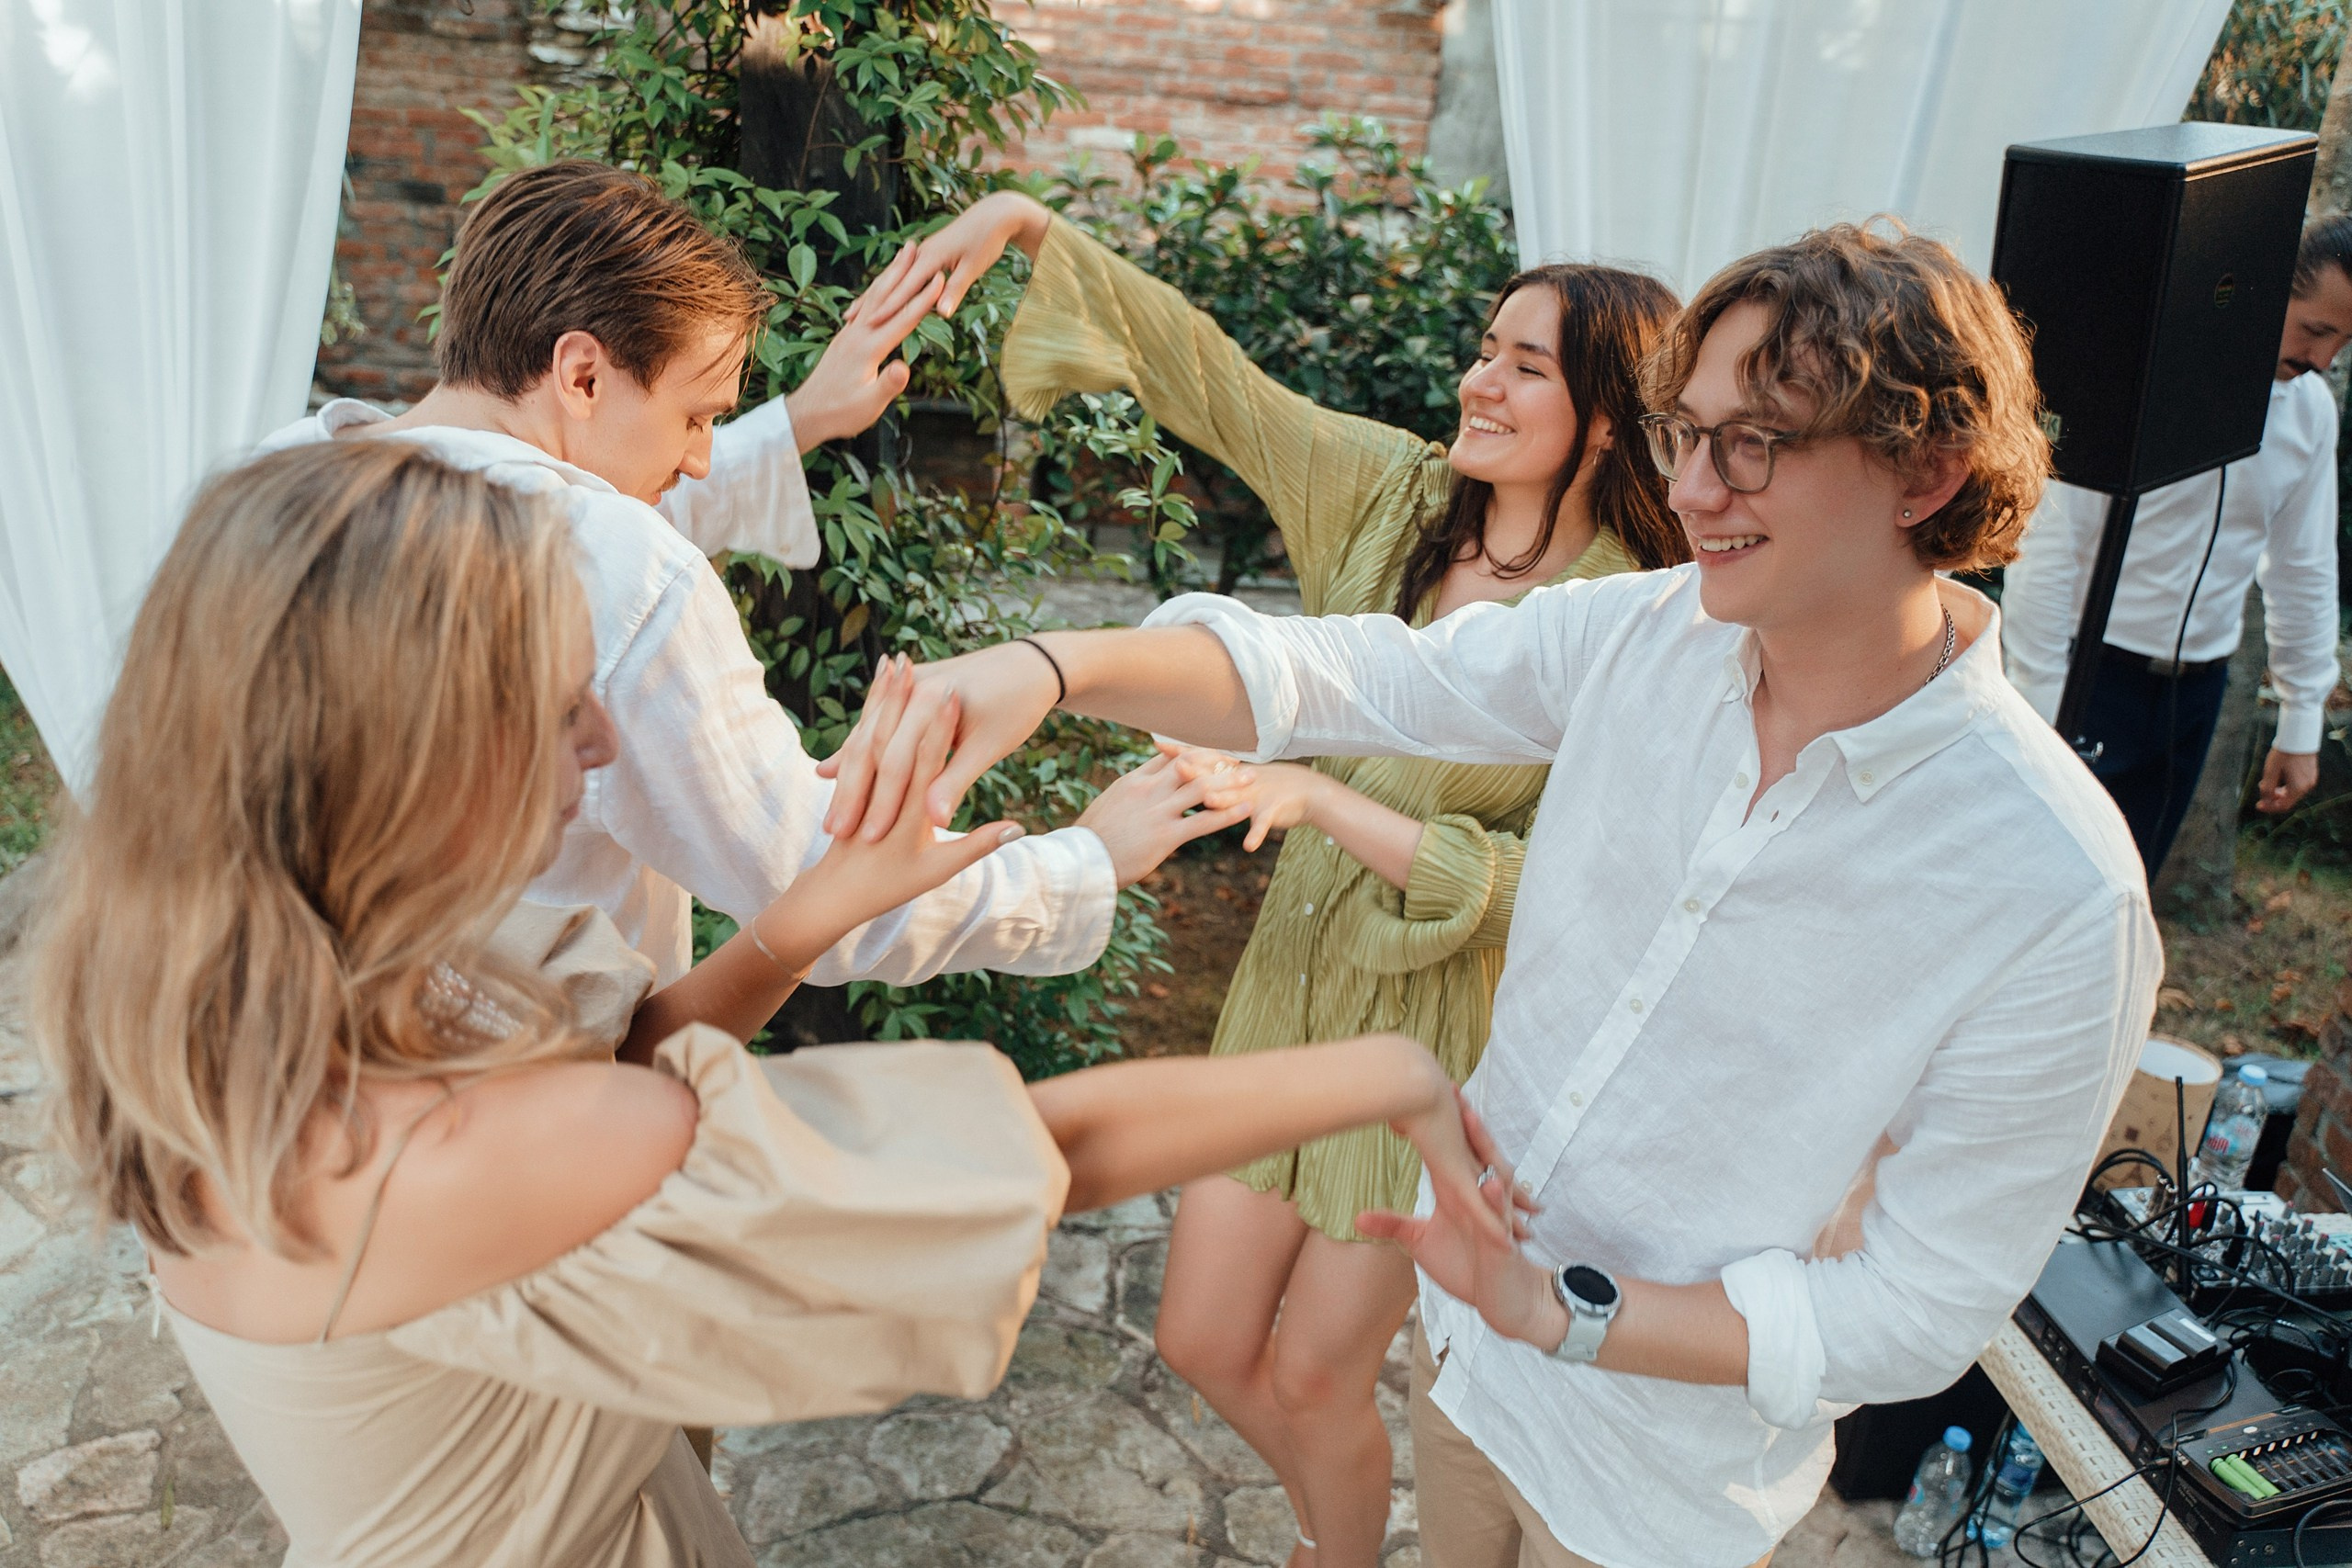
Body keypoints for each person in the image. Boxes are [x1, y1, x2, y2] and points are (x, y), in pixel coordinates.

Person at [819, 221, 2163, 1567]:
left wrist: (1561, 1307)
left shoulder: (2053, 884)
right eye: (1681, 433)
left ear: (1927, 469)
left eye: (1752, 441)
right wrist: (1045, 666)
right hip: (1467, 1373)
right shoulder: (1645, 637)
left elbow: (1921, 1306)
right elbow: (1355, 677)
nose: (1693, 489)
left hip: (1658, 1488)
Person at [32, 437, 1504, 1568]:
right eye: (560, 707)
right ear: (410, 753)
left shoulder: (232, 979)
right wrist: (1391, 1069)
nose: (605, 739)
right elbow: (1025, 1156)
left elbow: (630, 1066)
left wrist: (808, 909)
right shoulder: (437, 1149)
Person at [904, 190, 1684, 1567]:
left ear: (1611, 414)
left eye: (1524, 364)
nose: (1478, 379)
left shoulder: (1634, 620)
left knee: (1323, 1371)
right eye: (1483, 346)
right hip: (1287, 991)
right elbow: (1217, 379)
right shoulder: (1390, 499)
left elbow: (1544, 888)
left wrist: (1322, 793)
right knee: (1201, 1333)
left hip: (1437, 1042)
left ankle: (1340, 1555)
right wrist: (1036, 230)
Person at [255, 159, 1222, 995]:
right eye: (696, 417)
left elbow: (550, 496)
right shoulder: (621, 567)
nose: (703, 461)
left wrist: (799, 420)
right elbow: (811, 879)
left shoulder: (265, 483)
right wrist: (1082, 863)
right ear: (582, 376)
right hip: (528, 1111)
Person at [2000, 215, 2352, 871]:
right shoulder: (2138, 380)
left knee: (2132, 889)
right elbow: (2047, 547)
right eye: (2315, 331)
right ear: (2266, 288)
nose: (2322, 362)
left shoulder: (2311, 411)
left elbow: (2304, 567)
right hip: (2090, 674)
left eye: (2343, 342)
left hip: (2196, 696)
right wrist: (2041, 710)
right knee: (2039, 881)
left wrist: (2303, 720)